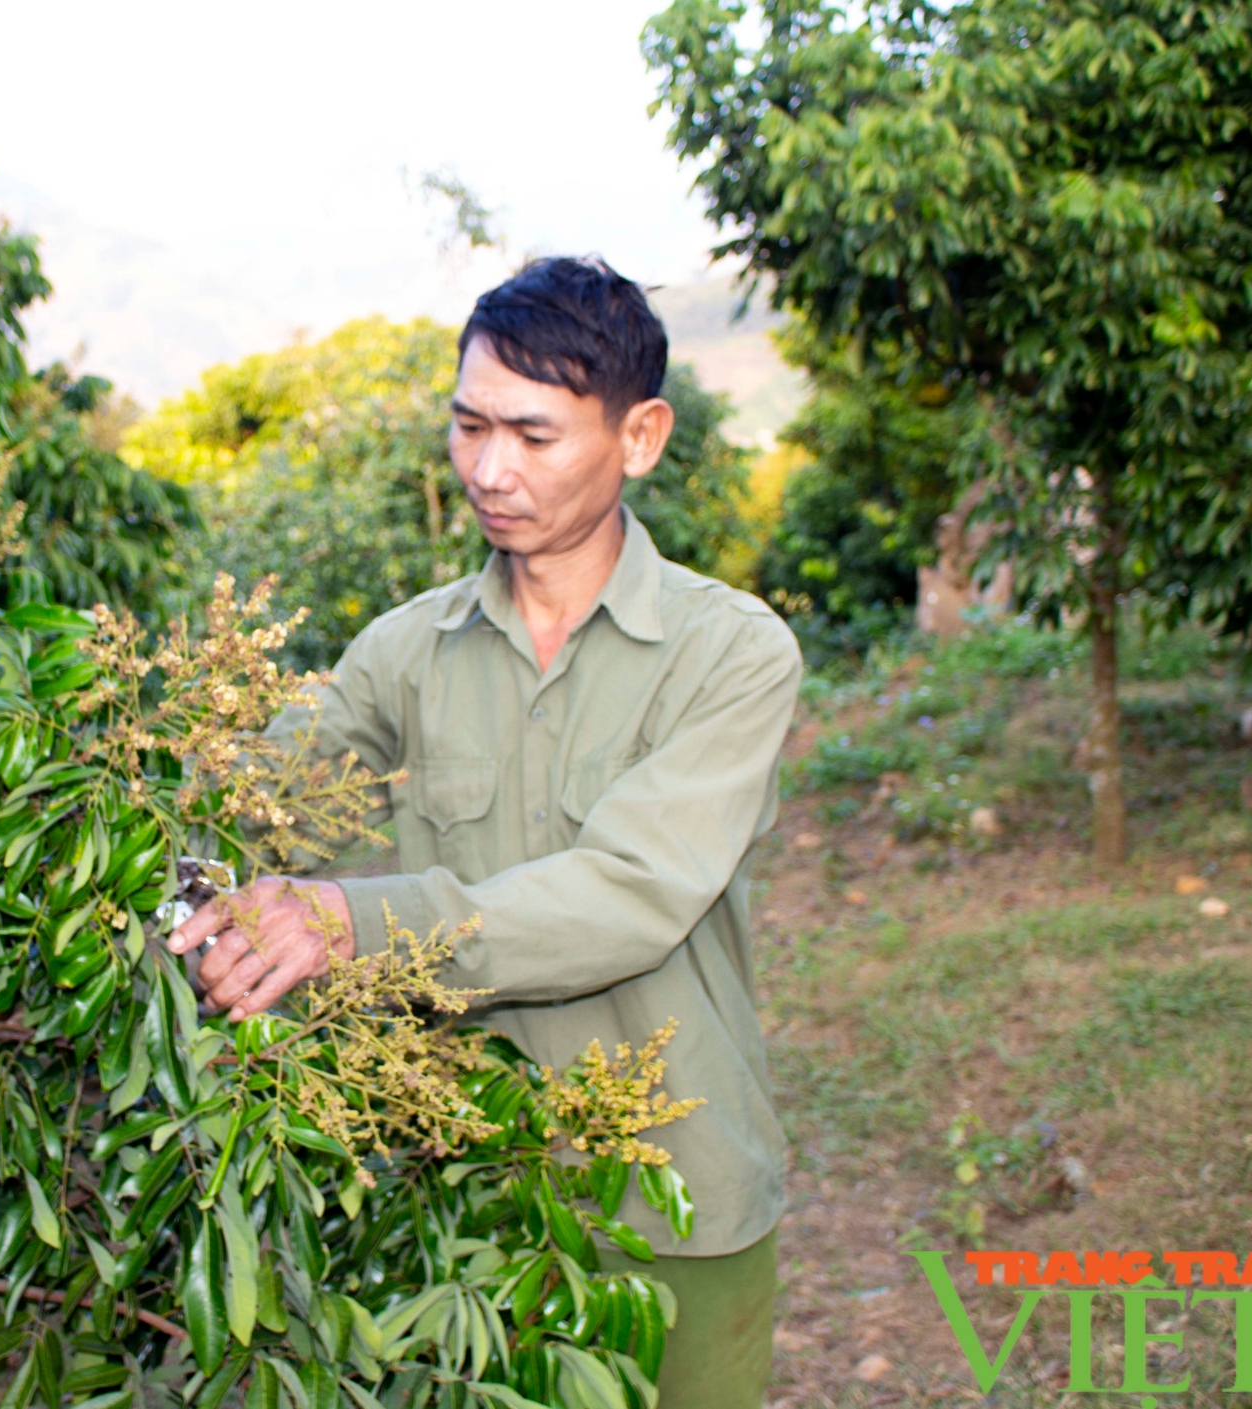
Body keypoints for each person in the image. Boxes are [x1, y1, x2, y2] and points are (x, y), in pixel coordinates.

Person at [167, 256, 802, 1409]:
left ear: (639, 435)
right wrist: (84, 814)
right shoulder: (402, 652)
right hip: (454, 1190)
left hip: (674, 1199)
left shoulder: (732, 651)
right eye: (467, 426)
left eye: (532, 433)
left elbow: (628, 892)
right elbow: (233, 793)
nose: (489, 469)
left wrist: (348, 918)